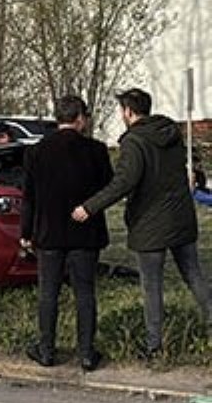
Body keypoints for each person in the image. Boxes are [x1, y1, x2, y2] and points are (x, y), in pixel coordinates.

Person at [72, 88, 212, 359]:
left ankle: (154, 344)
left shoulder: (134, 142)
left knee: (152, 285)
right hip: (180, 217)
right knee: (194, 275)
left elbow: (124, 181)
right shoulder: (171, 133)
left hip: (150, 222)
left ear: (128, 112)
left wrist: (89, 207)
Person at [20, 95, 113, 371]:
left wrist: (25, 232)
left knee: (48, 292)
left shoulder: (36, 151)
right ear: (80, 118)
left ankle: (46, 350)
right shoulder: (96, 151)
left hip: (48, 232)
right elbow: (108, 187)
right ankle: (86, 353)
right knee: (85, 293)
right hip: (85, 231)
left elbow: (29, 197)